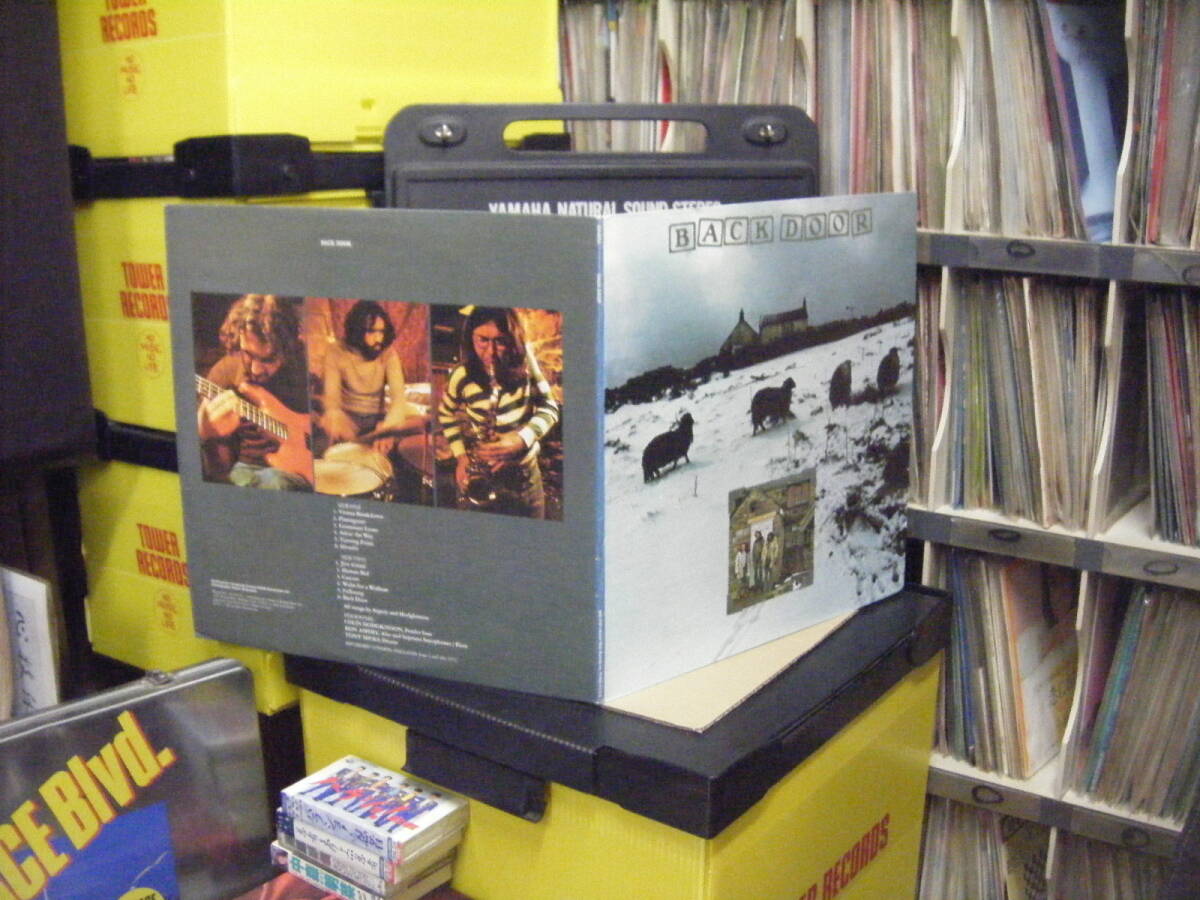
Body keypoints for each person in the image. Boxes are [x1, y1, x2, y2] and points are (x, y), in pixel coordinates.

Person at [437, 306, 559, 518]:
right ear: (470, 337)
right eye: (483, 340)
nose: (491, 353)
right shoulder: (461, 375)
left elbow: (550, 406)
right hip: (485, 475)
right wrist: (461, 457)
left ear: (512, 339)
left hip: (525, 478)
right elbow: (446, 414)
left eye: (500, 341)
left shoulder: (526, 364)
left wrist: (522, 439)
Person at [196, 293, 312, 490]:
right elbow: (218, 472)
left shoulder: (303, 369)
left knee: (275, 480)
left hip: (298, 471)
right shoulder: (224, 373)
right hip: (249, 469)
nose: (256, 370)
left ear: (288, 349)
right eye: (248, 354)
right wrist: (206, 434)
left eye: (268, 359)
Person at [322, 300, 421, 451]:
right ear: (357, 331)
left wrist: (388, 427)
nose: (378, 339)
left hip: (377, 421)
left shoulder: (388, 353)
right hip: (348, 420)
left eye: (381, 332)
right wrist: (334, 415)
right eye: (371, 332)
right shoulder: (335, 351)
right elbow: (332, 401)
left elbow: (398, 401)